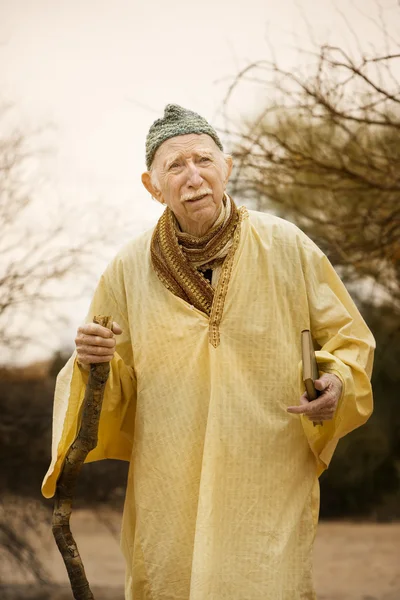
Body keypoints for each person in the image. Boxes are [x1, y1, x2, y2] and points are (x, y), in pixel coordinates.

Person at [42, 104, 375, 599]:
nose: (192, 176)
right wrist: (93, 361)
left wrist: (336, 383)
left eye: (203, 160)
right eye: (174, 166)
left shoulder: (288, 246)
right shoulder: (128, 268)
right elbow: (110, 380)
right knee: (168, 581)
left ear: (228, 168)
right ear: (151, 185)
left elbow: (349, 341)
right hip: (167, 479)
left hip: (266, 472)